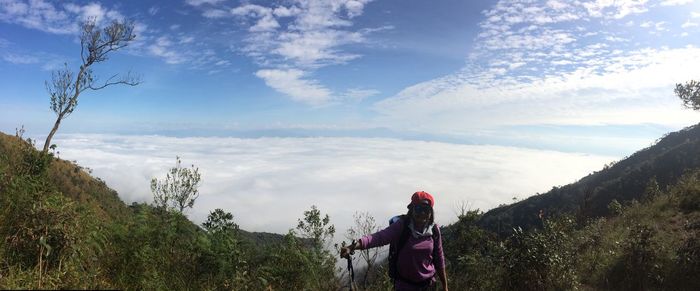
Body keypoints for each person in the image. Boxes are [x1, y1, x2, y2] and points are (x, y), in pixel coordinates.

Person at [340, 191, 448, 291]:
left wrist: (445, 286)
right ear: (412, 210)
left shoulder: (434, 230)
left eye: (426, 209)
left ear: (431, 212)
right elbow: (379, 237)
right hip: (404, 286)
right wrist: (353, 246)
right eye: (419, 209)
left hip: (428, 285)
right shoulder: (403, 226)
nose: (423, 213)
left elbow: (439, 258)